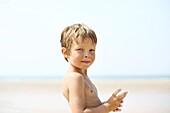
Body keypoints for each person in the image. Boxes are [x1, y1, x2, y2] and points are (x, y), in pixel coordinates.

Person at [60, 23, 128, 113]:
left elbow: (91, 106)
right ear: (66, 52)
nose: (87, 55)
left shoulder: (82, 76)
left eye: (91, 50)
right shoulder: (75, 78)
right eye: (80, 49)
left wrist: (110, 104)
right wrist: (108, 106)